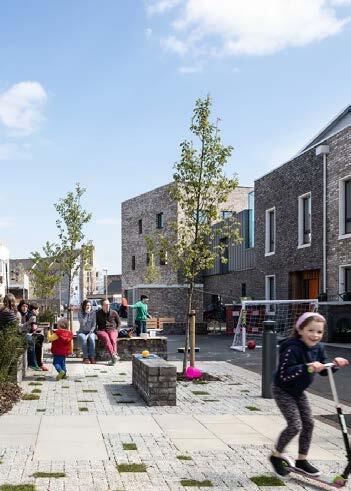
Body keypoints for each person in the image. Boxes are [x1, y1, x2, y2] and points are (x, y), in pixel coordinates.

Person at [269, 312, 349, 477]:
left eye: (319, 332)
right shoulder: (292, 348)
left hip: (298, 392)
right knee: (295, 425)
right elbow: (284, 375)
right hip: (283, 390)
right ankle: (276, 456)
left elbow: (324, 371)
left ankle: (302, 460)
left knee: (309, 424)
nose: (315, 335)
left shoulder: (319, 348)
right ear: (300, 330)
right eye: (311, 330)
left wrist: (334, 364)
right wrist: (309, 367)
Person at [96, 299, 121, 365]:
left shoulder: (114, 312)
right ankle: (114, 355)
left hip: (112, 329)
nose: (108, 306)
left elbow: (119, 323)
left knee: (113, 339)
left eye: (109, 304)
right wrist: (95, 331)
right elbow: (95, 323)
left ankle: (113, 357)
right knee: (106, 338)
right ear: (102, 306)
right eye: (106, 305)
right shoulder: (98, 313)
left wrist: (117, 330)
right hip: (102, 330)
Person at [77, 299, 96, 364]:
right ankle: (86, 357)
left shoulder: (93, 313)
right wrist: (86, 314)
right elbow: (82, 324)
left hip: (90, 332)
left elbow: (94, 325)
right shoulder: (80, 313)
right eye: (87, 305)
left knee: (92, 339)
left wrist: (89, 334)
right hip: (82, 332)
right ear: (84, 306)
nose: (89, 307)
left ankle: (92, 357)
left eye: (90, 305)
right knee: (83, 338)